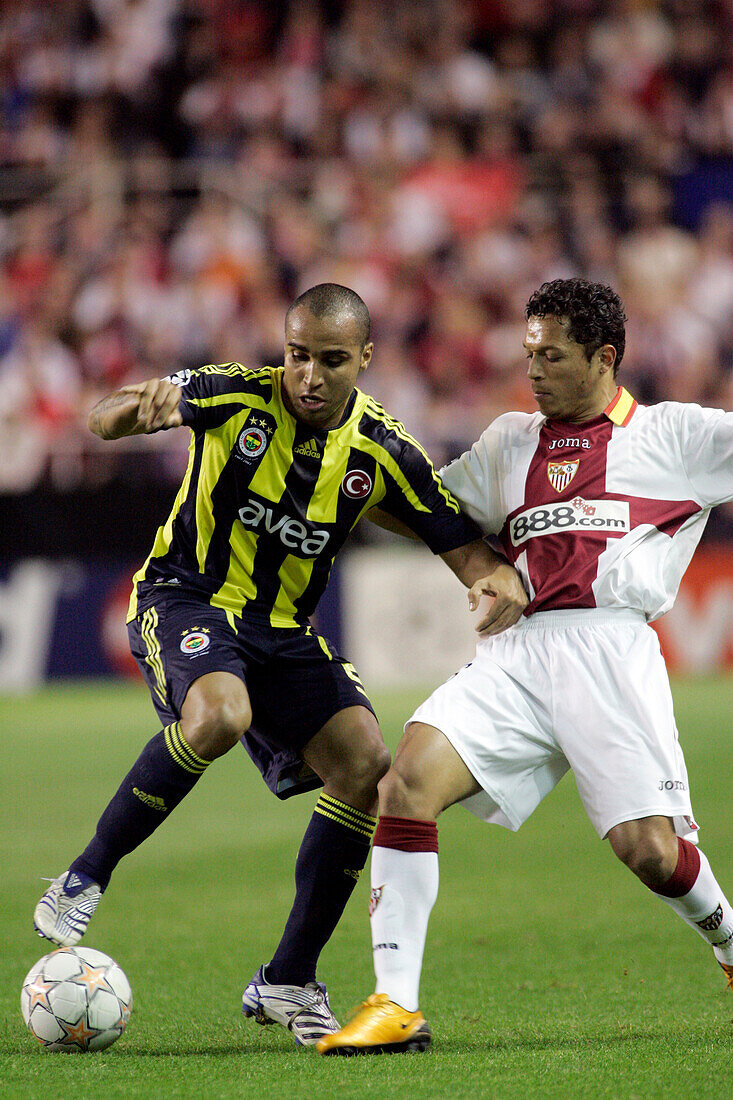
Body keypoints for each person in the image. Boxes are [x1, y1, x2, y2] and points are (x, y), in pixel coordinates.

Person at [33, 282, 527, 1047]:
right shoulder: (233, 393)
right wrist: (143, 406)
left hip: (285, 631)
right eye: (297, 355)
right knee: (221, 715)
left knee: (366, 765)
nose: (308, 375)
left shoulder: (381, 449)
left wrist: (492, 580)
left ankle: (288, 980)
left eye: (331, 361)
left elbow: (458, 543)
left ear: (363, 359)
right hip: (186, 599)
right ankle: (85, 875)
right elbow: (102, 420)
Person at [317, 277, 733, 1056]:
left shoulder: (677, 436)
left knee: (647, 850)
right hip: (513, 653)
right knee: (402, 783)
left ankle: (730, 946)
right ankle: (394, 1003)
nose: (532, 370)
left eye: (551, 357)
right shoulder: (511, 439)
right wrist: (358, 473)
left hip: (609, 652)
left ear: (603, 358)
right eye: (527, 353)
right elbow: (428, 509)